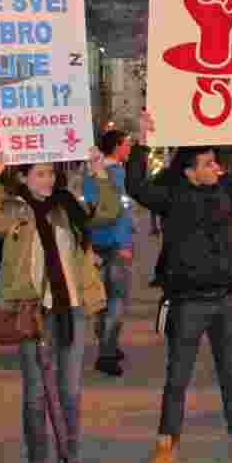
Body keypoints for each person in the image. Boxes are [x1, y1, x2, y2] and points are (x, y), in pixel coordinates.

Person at [129, 109, 232, 463]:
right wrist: (141, 142)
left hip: (226, 299)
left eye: (216, 162)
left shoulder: (226, 191)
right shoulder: (172, 197)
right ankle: (166, 446)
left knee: (231, 374)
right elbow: (137, 187)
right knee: (177, 378)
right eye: (209, 164)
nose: (217, 168)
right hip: (188, 303)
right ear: (190, 171)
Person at [0, 149, 118, 463]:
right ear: (23, 176)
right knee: (35, 395)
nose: (48, 179)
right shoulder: (14, 210)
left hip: (72, 310)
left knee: (70, 392)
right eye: (39, 173)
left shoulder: (68, 206)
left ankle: (71, 460)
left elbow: (108, 213)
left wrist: (100, 174)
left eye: (51, 172)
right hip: (33, 313)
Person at [86, 129, 135, 378]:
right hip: (115, 244)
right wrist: (125, 243)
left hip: (95, 243)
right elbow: (121, 212)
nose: (129, 148)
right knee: (116, 301)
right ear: (116, 147)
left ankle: (108, 345)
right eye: (127, 144)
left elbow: (90, 209)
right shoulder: (117, 173)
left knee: (102, 299)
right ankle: (106, 353)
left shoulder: (90, 174)